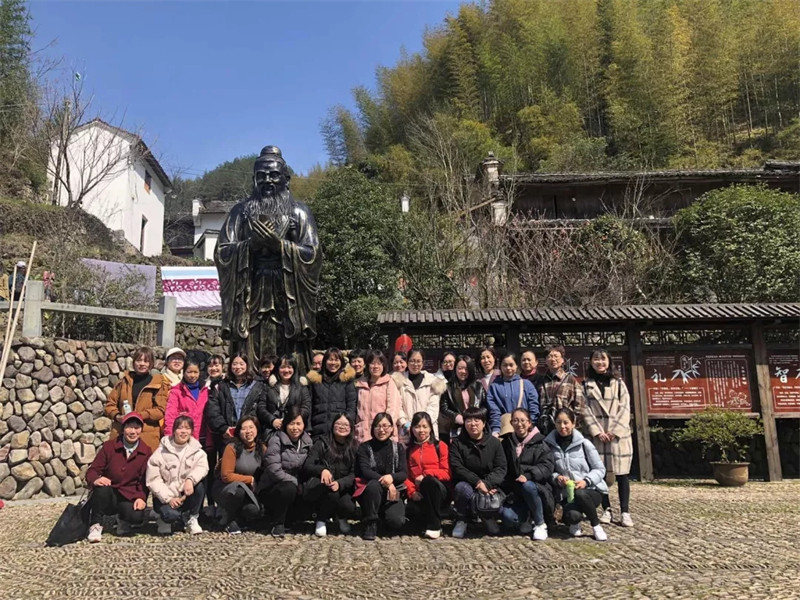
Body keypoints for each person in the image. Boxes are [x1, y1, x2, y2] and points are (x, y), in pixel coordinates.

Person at [214, 146, 322, 365]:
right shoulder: (241, 211)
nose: (267, 181)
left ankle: (290, 382)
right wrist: (250, 246)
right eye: (261, 176)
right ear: (254, 179)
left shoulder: (299, 212)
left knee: (290, 350)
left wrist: (280, 245)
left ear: (286, 179)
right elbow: (222, 252)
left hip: (288, 292)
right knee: (247, 345)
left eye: (274, 175)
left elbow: (313, 254)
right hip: (250, 289)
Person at [582, 348, 634, 527]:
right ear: (591, 362)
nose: (600, 362)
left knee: (622, 474)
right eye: (596, 359)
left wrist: (614, 431)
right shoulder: (586, 385)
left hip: (618, 436)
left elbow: (625, 408)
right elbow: (584, 409)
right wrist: (597, 431)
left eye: (603, 359)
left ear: (609, 361)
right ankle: (607, 509)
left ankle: (625, 511)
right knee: (601, 474)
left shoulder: (619, 383)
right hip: (599, 436)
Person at [85, 412, 152, 542]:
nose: (133, 431)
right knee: (101, 489)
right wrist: (96, 479)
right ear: (123, 429)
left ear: (141, 430)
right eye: (129, 427)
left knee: (136, 516)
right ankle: (96, 524)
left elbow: (144, 480)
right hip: (109, 492)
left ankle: (122, 519)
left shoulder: (146, 451)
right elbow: (92, 471)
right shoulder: (109, 447)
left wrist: (141, 497)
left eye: (137, 428)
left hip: (128, 495)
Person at [545, 407, 609, 541]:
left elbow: (600, 469)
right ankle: (575, 521)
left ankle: (596, 526)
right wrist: (557, 478)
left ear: (573, 423)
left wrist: (586, 481)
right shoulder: (549, 445)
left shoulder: (584, 444)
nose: (562, 426)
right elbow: (548, 470)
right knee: (572, 516)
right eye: (558, 422)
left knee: (580, 494)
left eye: (566, 422)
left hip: (591, 490)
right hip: (567, 493)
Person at [448, 406, 507, 538]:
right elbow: (457, 467)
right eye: (468, 420)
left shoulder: (494, 443)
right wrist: (478, 482)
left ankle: (487, 516)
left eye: (477, 420)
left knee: (503, 518)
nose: (473, 424)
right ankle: (462, 519)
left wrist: (487, 483)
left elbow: (501, 468)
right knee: (461, 489)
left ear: (484, 423)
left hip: (490, 486)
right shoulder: (457, 443)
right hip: (468, 483)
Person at [146, 415, 209, 535]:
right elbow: (153, 479)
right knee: (170, 516)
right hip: (165, 498)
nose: (184, 431)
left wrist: (190, 480)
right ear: (174, 430)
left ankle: (192, 518)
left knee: (200, 484)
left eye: (187, 428)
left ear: (191, 431)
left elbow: (202, 468)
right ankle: (163, 518)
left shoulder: (198, 452)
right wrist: (169, 498)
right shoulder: (160, 452)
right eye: (180, 428)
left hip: (185, 495)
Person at [164, 358, 214, 507]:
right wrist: (169, 437)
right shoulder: (176, 391)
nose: (192, 375)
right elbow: (170, 416)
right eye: (189, 372)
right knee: (186, 473)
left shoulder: (206, 390)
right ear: (183, 372)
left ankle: (205, 507)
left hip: (205, 437)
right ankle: (186, 507)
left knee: (205, 473)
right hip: (186, 440)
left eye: (195, 372)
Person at [498, 408, 554, 541]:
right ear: (511, 423)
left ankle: (540, 523)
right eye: (515, 421)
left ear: (529, 423)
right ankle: (527, 518)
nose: (519, 424)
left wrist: (528, 475)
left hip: (537, 489)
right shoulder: (507, 443)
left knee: (527, 486)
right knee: (507, 518)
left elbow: (547, 466)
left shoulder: (541, 442)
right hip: (515, 492)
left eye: (523, 420)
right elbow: (502, 467)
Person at [258, 404, 313, 537]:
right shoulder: (276, 440)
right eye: (291, 423)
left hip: (295, 486)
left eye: (299, 424)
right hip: (273, 486)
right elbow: (274, 471)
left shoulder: (307, 442)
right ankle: (278, 523)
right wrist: (296, 482)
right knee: (289, 488)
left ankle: (291, 518)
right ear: (285, 424)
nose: (295, 428)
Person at [303, 413, 358, 537]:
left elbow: (354, 473)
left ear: (351, 428)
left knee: (348, 506)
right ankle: (321, 519)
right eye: (338, 424)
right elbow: (308, 465)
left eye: (346, 425)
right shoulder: (321, 443)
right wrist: (322, 470)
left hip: (343, 487)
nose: (342, 427)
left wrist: (340, 483)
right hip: (323, 486)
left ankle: (341, 517)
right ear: (332, 426)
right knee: (331, 493)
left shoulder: (354, 446)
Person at [105, 346, 169, 451]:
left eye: (146, 361)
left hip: (147, 433)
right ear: (133, 362)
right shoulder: (123, 382)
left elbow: (161, 410)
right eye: (139, 360)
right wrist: (117, 416)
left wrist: (139, 416)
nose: (142, 364)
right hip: (122, 432)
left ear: (151, 364)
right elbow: (110, 404)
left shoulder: (158, 384)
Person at [355, 413, 407, 540]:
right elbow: (365, 471)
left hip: (392, 493)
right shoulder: (364, 447)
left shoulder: (398, 447)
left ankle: (382, 518)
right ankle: (371, 523)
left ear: (392, 428)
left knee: (396, 522)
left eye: (385, 426)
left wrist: (392, 478)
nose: (382, 430)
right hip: (371, 492)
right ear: (373, 428)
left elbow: (403, 473)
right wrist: (387, 482)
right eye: (378, 426)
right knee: (373, 485)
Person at [214, 415, 266, 534]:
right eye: (244, 428)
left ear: (257, 429)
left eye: (251, 427)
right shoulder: (231, 447)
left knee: (253, 511)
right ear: (238, 431)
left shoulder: (262, 448)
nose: (248, 431)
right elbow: (226, 475)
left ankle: (240, 518)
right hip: (226, 488)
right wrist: (250, 479)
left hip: (250, 491)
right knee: (238, 490)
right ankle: (229, 519)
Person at [205, 352, 268, 447]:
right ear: (230, 366)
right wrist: (223, 428)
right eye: (234, 364)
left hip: (251, 435)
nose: (238, 367)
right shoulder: (221, 386)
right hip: (227, 436)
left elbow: (261, 409)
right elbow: (213, 410)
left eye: (241, 364)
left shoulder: (258, 386)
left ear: (247, 365)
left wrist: (253, 428)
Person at [404, 412, 450, 539]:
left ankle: (435, 526)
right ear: (412, 429)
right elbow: (406, 476)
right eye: (417, 427)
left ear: (430, 428)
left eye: (425, 426)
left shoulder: (440, 446)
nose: (421, 430)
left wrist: (425, 475)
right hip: (419, 493)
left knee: (429, 481)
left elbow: (447, 473)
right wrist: (412, 492)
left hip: (438, 490)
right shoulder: (409, 450)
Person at [392, 349, 446, 442]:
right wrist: (405, 423)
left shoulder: (433, 382)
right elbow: (397, 406)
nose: (415, 364)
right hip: (406, 430)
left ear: (423, 362)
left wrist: (421, 426)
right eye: (412, 361)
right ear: (407, 362)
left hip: (427, 430)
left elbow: (433, 408)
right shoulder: (398, 381)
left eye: (418, 361)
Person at [307, 347, 357, 440]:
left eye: (336, 360)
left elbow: (351, 405)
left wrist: (346, 424)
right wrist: (308, 428)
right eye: (330, 360)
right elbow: (309, 406)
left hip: (340, 432)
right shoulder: (316, 381)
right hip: (318, 431)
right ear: (325, 362)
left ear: (341, 362)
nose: (333, 363)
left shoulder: (346, 381)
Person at [486, 352, 540, 437]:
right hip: (504, 430)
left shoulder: (527, 384)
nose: (508, 368)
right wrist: (496, 429)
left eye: (511, 365)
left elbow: (534, 407)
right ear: (500, 366)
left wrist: (531, 424)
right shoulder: (494, 386)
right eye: (505, 365)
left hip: (526, 430)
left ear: (516, 366)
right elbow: (494, 410)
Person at [354, 350, 402, 444]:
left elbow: (393, 409)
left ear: (383, 365)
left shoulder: (389, 382)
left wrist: (385, 428)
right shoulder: (359, 384)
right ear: (367, 365)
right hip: (362, 435)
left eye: (379, 363)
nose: (375, 366)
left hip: (383, 434)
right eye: (372, 363)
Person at [258, 354, 312, 437]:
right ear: (277, 369)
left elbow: (306, 407)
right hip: (272, 430)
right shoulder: (269, 386)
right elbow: (261, 407)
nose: (286, 370)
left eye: (289, 367)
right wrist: (272, 420)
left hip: (295, 430)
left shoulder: (301, 387)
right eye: (282, 367)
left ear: (294, 369)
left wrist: (293, 420)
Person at [537, 345, 585, 435]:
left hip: (565, 429)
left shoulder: (570, 380)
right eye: (549, 356)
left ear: (562, 360)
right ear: (546, 360)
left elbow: (580, 407)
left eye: (556, 356)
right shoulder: (541, 381)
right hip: (546, 429)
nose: (553, 359)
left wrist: (572, 425)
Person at [439, 355, 486, 441]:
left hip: (476, 426)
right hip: (457, 429)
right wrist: (456, 416)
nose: (463, 371)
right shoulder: (448, 387)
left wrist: (476, 416)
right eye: (460, 368)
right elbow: (443, 408)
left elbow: (485, 406)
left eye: (466, 369)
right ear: (455, 369)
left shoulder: (478, 386)